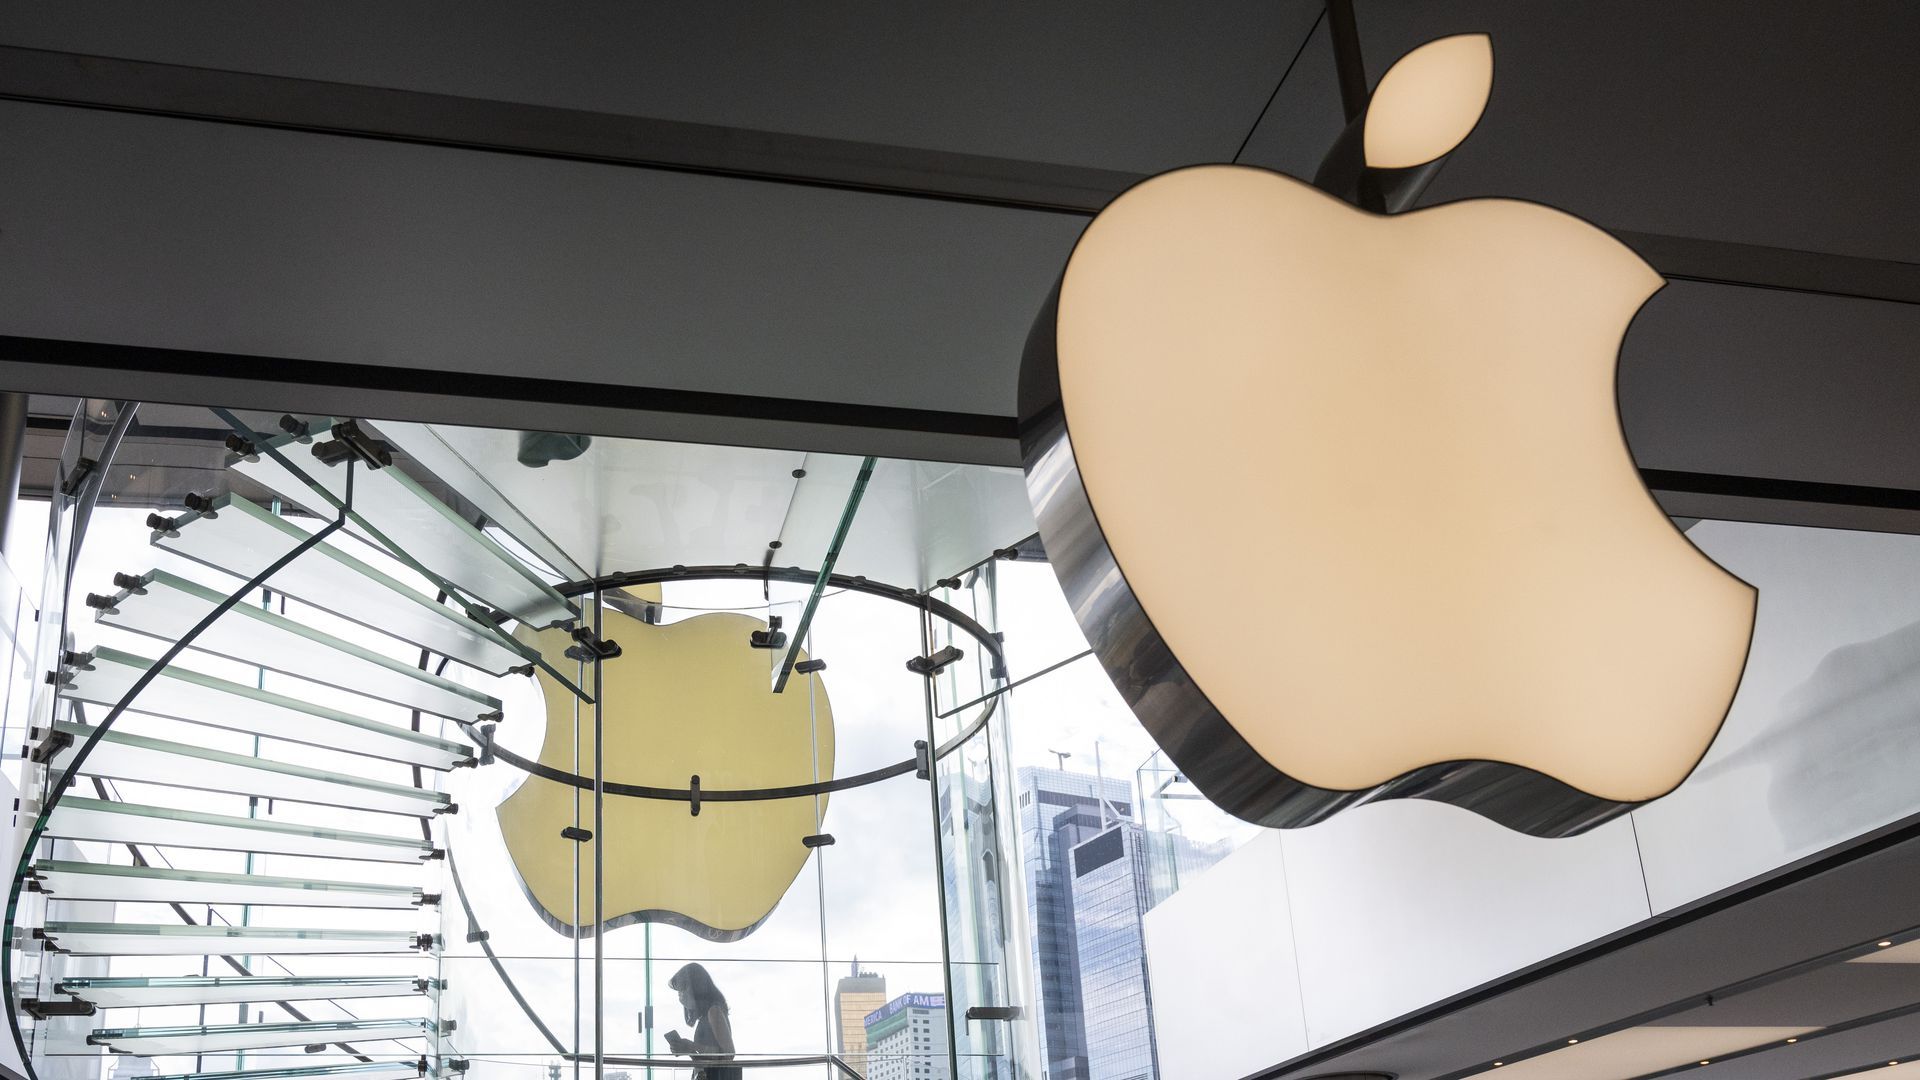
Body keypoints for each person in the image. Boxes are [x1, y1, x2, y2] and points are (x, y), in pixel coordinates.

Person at [664, 963, 739, 1080]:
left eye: (683, 990)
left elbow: (728, 1054)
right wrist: (689, 1050)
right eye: (679, 992)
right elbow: (710, 1058)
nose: (681, 997)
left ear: (697, 988)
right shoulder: (706, 1014)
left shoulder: (713, 1011)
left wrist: (690, 1046)